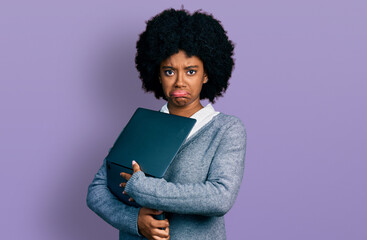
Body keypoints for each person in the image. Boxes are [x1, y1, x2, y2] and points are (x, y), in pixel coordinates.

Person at [87, 8, 247, 240]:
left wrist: (144, 188)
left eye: (191, 71)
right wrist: (135, 222)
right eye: (169, 71)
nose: (180, 81)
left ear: (206, 74)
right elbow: (96, 191)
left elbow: (220, 197)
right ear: (158, 75)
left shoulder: (226, 130)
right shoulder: (141, 125)